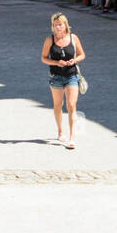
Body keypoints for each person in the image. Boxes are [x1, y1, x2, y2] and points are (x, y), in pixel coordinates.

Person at [42, 12, 86, 149]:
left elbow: (82, 54)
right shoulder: (50, 40)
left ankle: (72, 138)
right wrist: (56, 62)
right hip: (56, 77)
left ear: (65, 24)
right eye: (55, 25)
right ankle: (61, 131)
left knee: (72, 105)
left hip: (72, 75)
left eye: (60, 24)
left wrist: (75, 60)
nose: (58, 27)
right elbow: (44, 58)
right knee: (58, 105)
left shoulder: (73, 38)